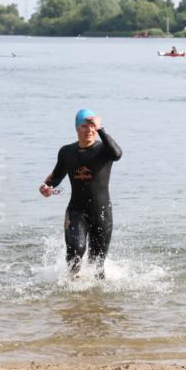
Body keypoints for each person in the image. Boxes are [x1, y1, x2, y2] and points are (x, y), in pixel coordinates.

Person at [40, 109, 122, 278]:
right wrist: (46, 186)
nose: (89, 130)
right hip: (76, 211)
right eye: (84, 126)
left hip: (102, 212)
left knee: (97, 263)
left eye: (92, 126)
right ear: (77, 128)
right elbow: (56, 176)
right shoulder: (67, 152)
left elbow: (117, 154)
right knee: (75, 251)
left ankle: (96, 301)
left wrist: (101, 129)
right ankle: (71, 292)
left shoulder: (103, 149)